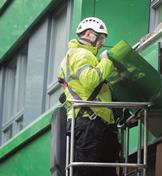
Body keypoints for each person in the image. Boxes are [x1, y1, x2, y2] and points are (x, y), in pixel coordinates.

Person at [58, 17, 119, 176]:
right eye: (101, 38)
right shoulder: (82, 54)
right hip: (89, 124)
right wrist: (106, 62)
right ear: (89, 35)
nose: (101, 43)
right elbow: (90, 80)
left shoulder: (74, 55)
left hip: (88, 123)